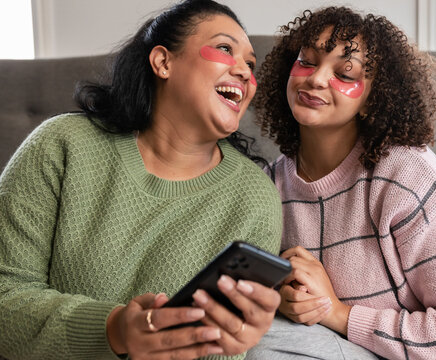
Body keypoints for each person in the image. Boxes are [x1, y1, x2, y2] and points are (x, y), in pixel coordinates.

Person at [0, 1, 283, 359]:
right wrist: (114, 329)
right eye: (226, 49)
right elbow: (5, 294)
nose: (245, 71)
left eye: (252, 64)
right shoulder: (62, 144)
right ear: (163, 62)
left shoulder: (255, 198)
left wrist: (229, 340)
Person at [247, 6, 436, 360]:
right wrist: (287, 299)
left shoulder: (407, 173)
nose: (315, 79)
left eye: (346, 74)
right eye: (308, 61)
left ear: (371, 99)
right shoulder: (269, 185)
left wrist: (337, 311)